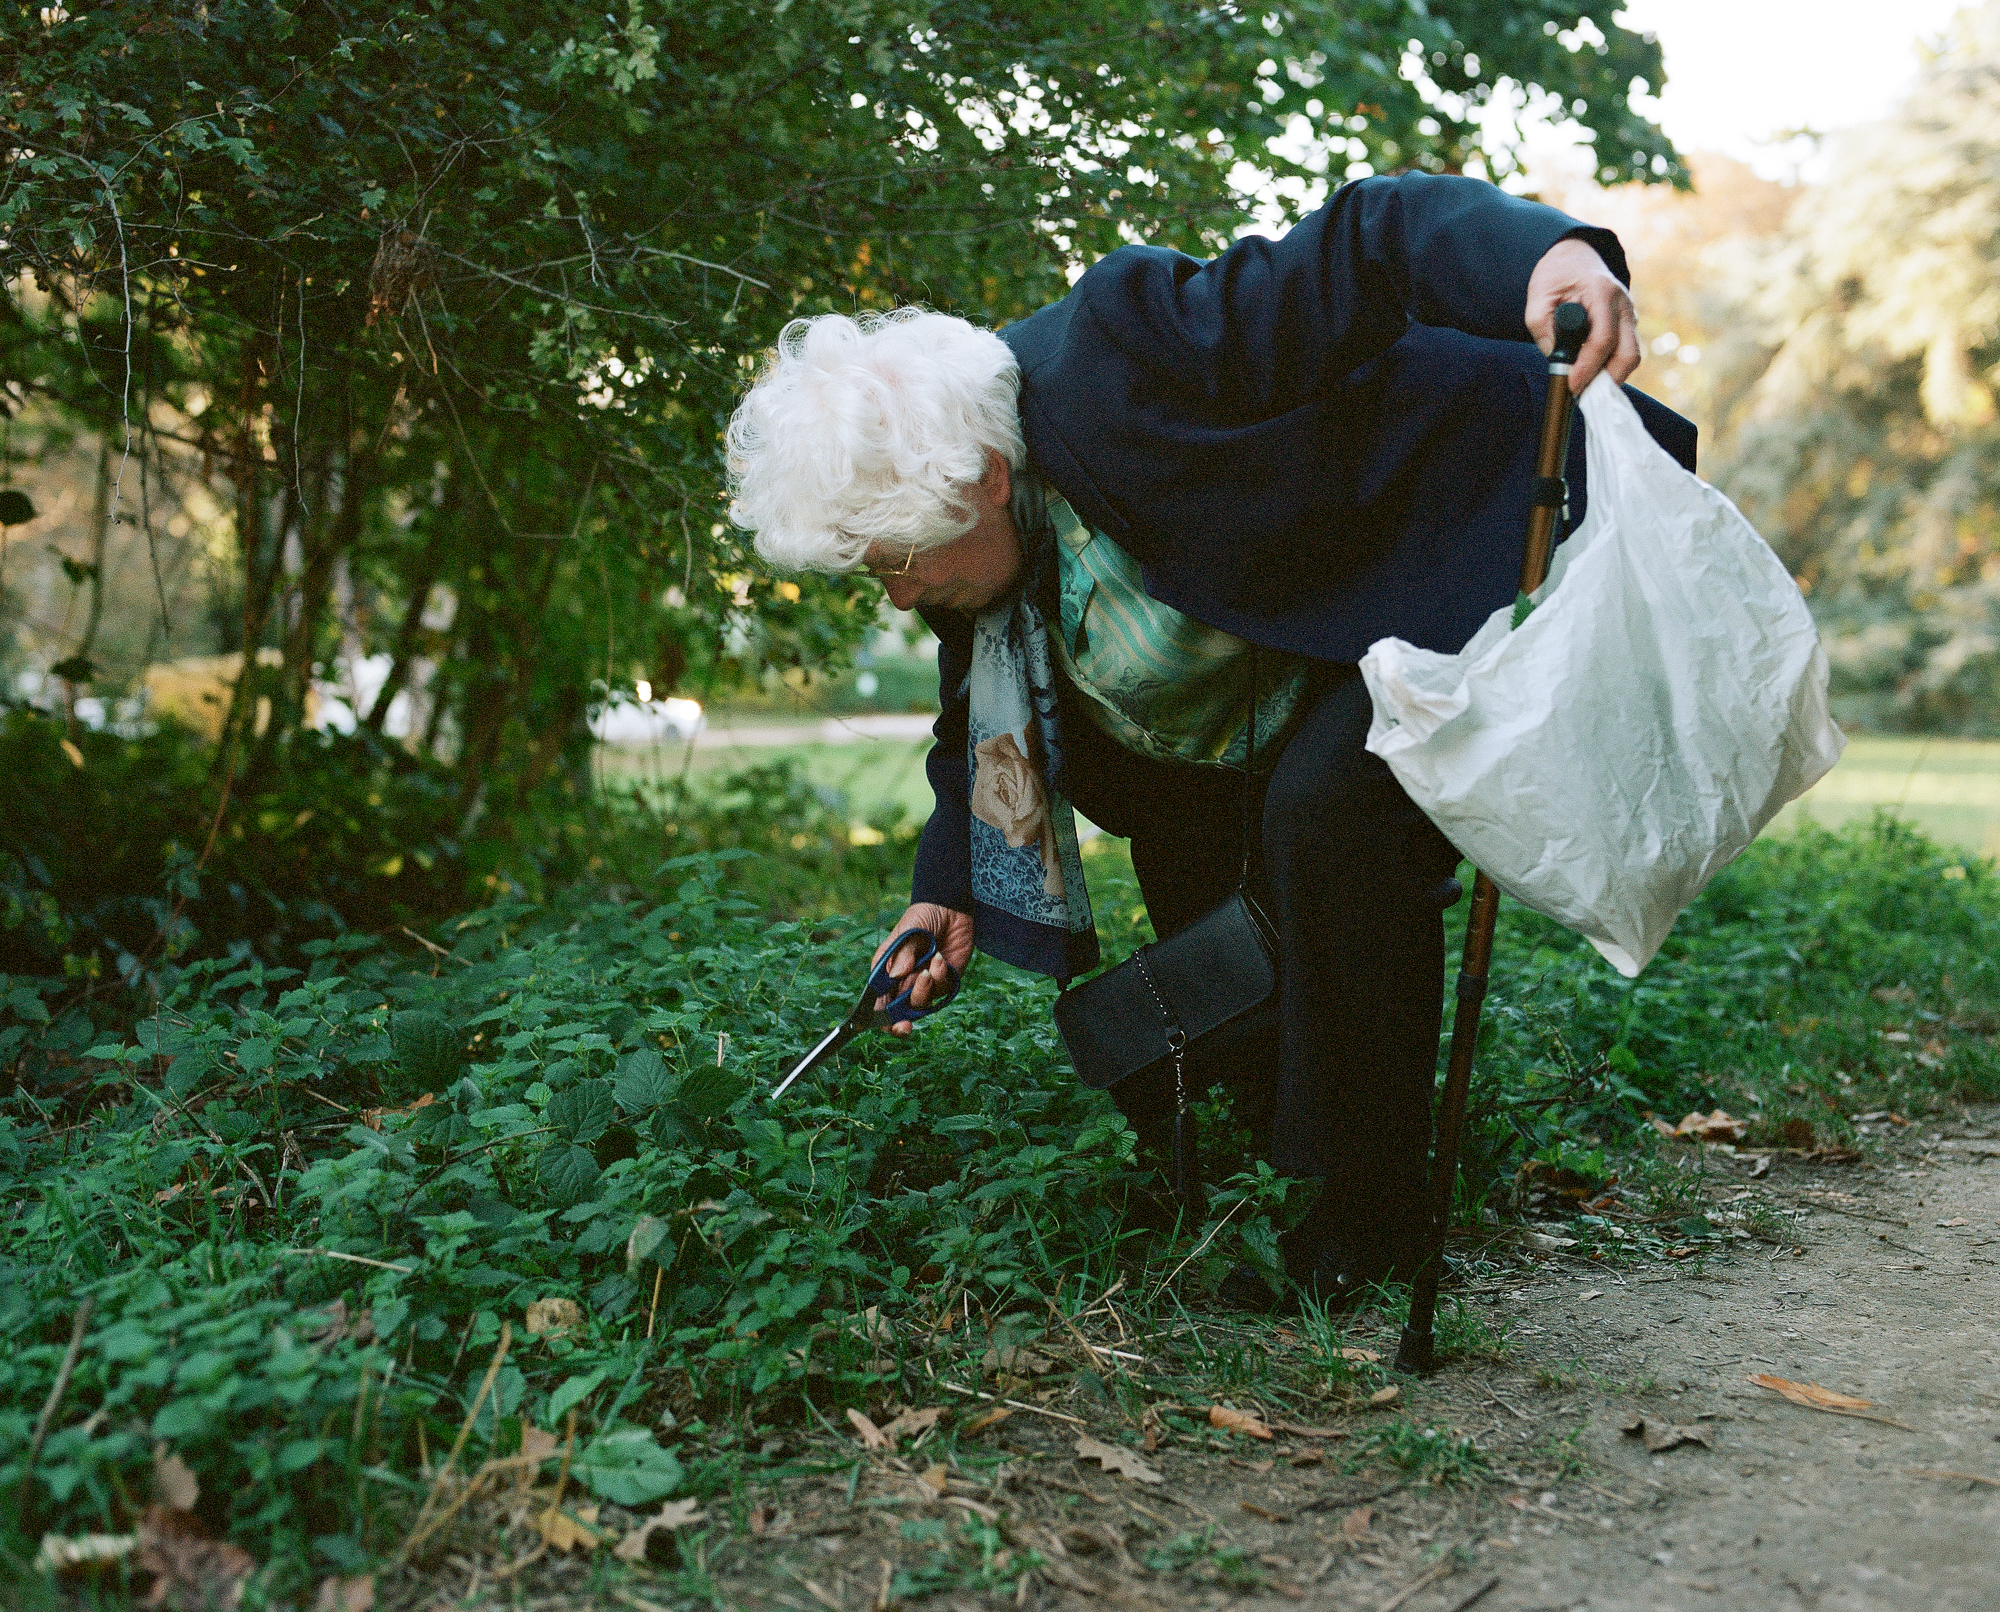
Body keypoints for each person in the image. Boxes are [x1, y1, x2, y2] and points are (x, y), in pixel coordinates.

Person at [726, 170, 1696, 1307]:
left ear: (984, 480)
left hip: (1437, 557)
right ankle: (1237, 1162)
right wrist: (945, 886)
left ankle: (1364, 1219)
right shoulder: (971, 539)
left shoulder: (1123, 352)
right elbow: (974, 711)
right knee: (1196, 893)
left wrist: (1546, 259)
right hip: (1248, 688)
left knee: (1329, 822)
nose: (896, 597)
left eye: (893, 564)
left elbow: (1364, 239)